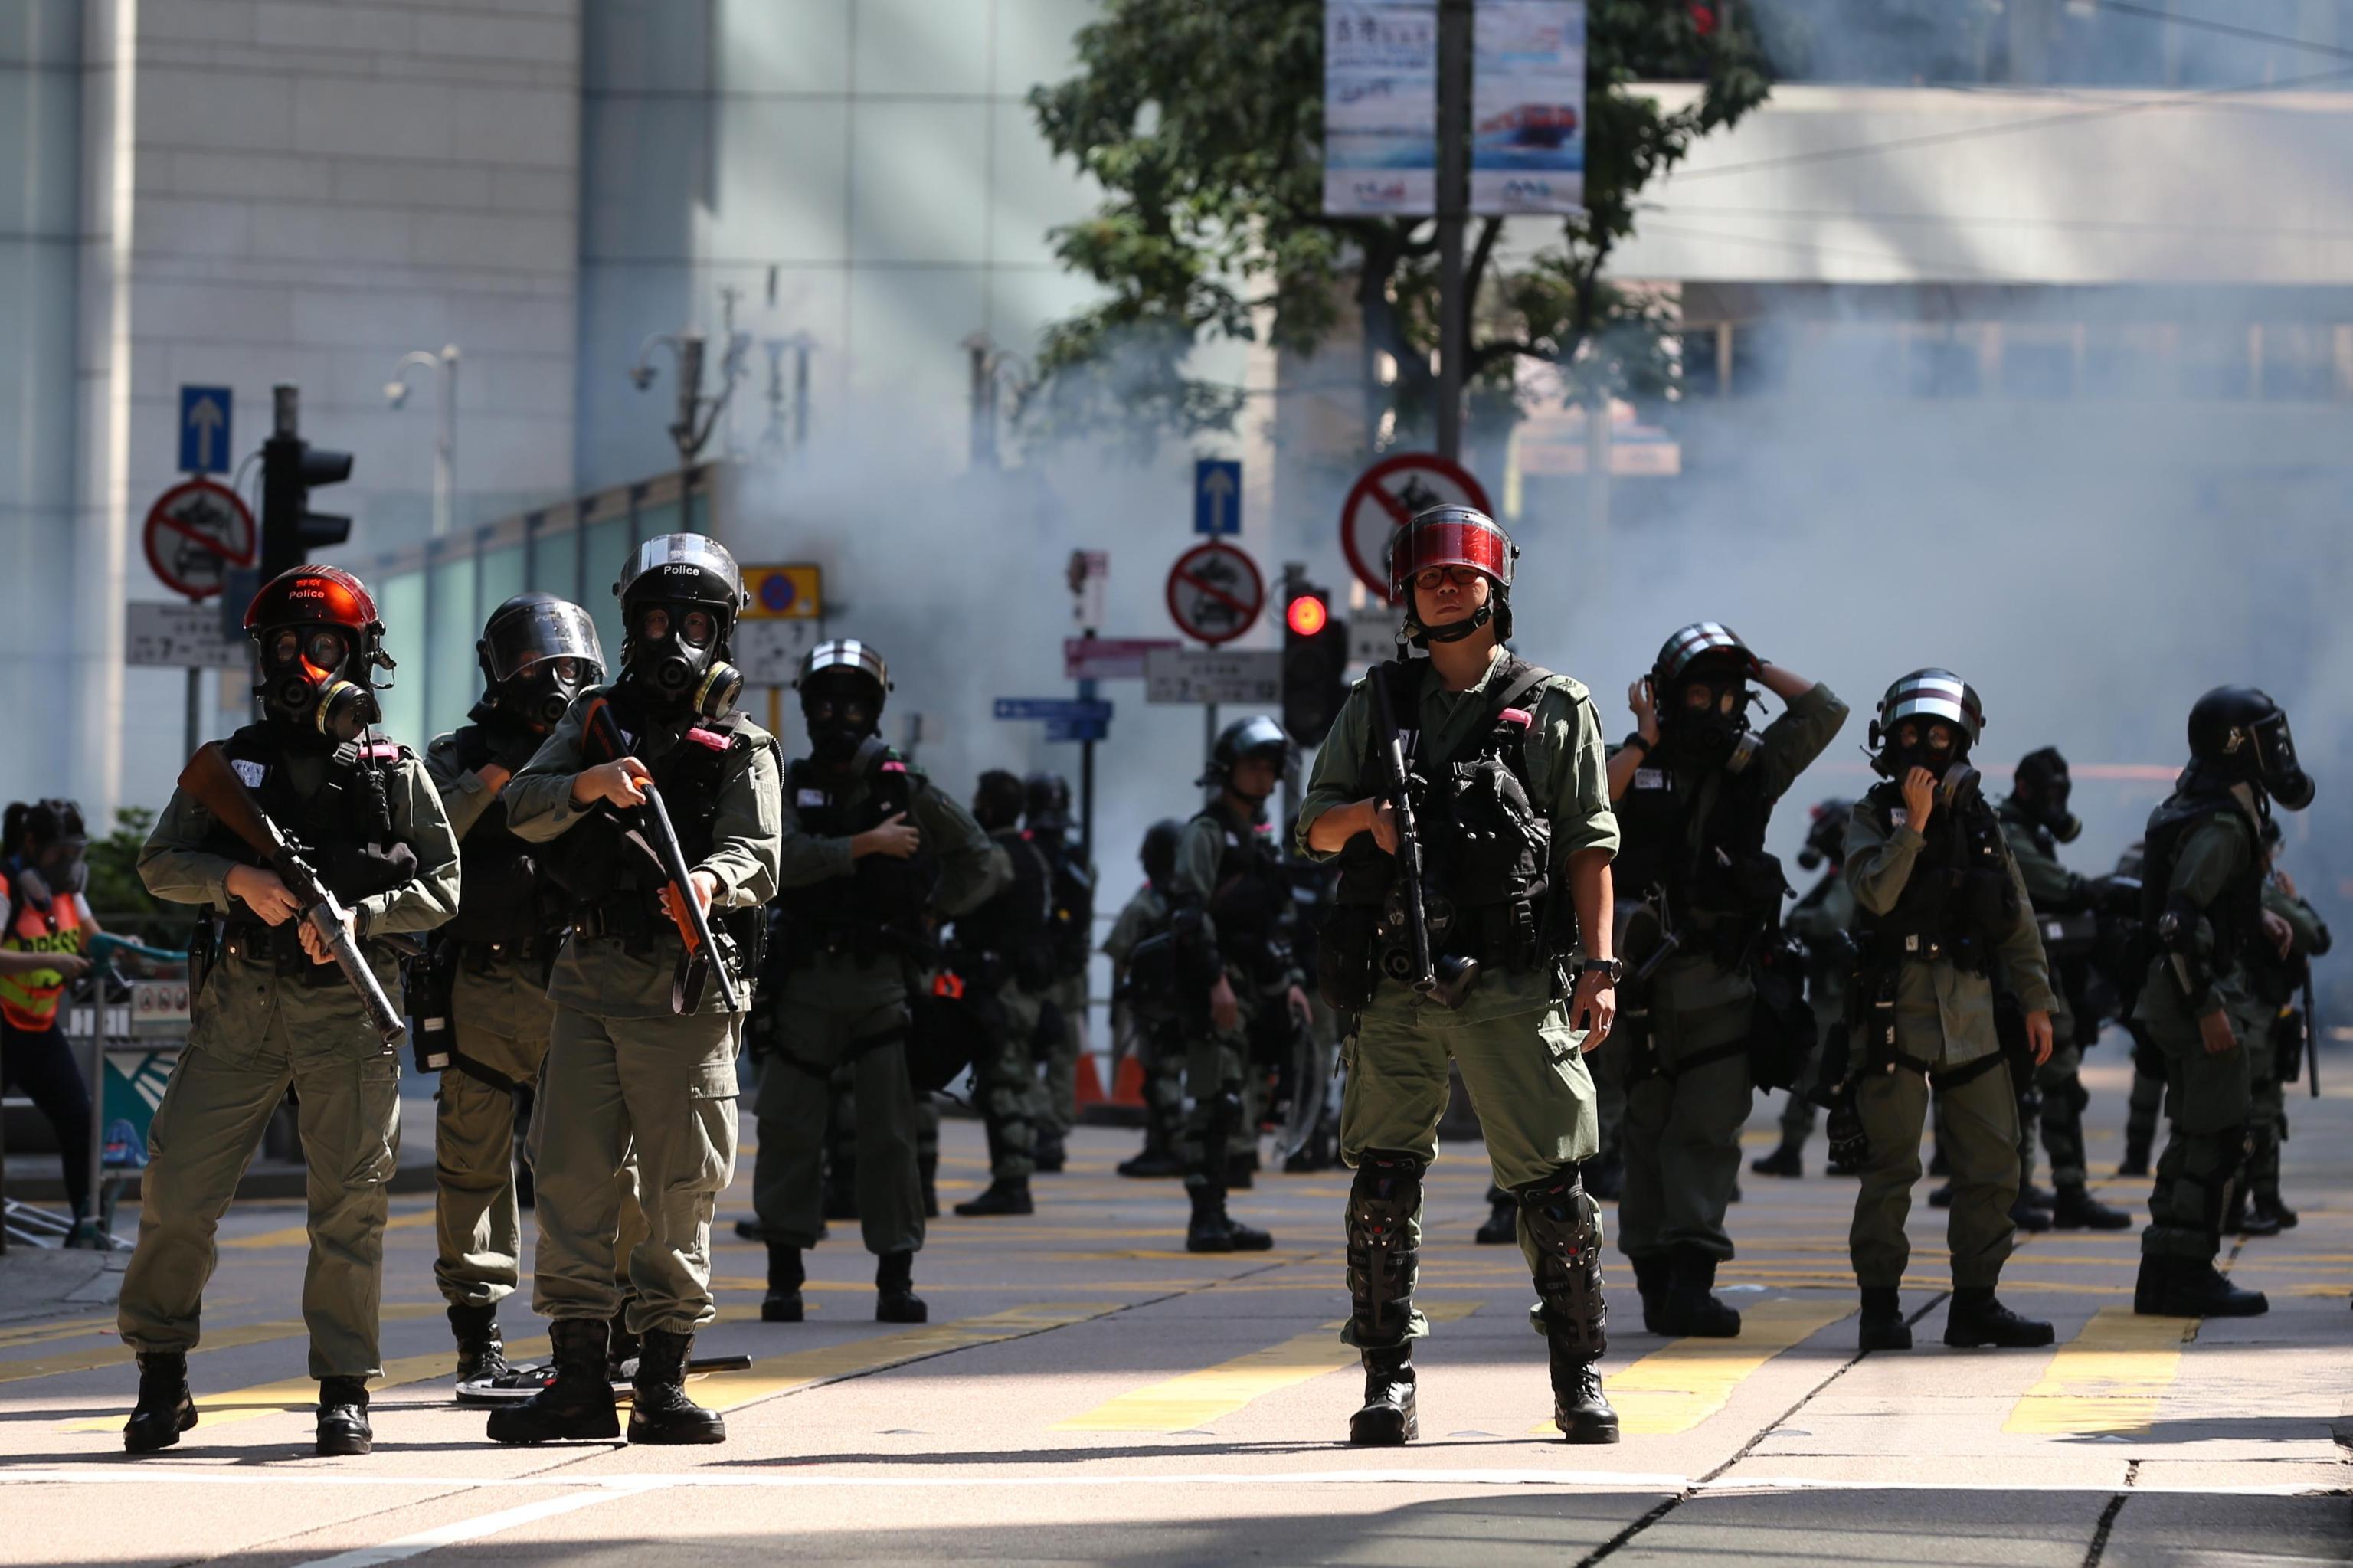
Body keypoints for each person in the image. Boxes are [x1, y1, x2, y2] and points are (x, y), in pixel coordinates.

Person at [1299, 504, 1621, 1447]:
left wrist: (1599, 968)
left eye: (1461, 575)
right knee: (1383, 1184)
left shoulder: (1554, 706)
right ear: (1407, 596)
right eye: (1428, 576)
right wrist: (1369, 820)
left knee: (1554, 1191)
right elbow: (1311, 829)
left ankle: (1577, 1374)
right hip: (1400, 983)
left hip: (1515, 983)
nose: (1445, 587)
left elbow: (1589, 846)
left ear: (1495, 588)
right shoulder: (1377, 704)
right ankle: (1386, 1377)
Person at [122, 565, 460, 1456]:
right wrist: (237, 879)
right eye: (285, 645)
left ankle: (343, 1388)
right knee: (179, 1187)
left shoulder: (394, 770)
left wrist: (364, 916)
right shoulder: (231, 763)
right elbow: (161, 863)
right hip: (243, 1004)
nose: (302, 663)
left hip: (348, 1008)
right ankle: (163, 1373)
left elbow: (446, 883)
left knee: (349, 1204)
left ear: (359, 657)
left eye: (323, 647)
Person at [487, 534, 781, 1446]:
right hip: (589, 978)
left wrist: (710, 881)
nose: (674, 641)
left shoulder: (742, 741)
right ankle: (578, 1374)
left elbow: (760, 855)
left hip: (688, 985)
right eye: (657, 619)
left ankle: (661, 1378)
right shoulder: (590, 719)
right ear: (631, 625)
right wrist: (590, 783)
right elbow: (521, 810)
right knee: (572, 1176)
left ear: (722, 631)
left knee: (681, 1186)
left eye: (695, 622)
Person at [1605, 624, 1847, 1337]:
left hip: (1718, 984)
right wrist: (1645, 735)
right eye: (1698, 692)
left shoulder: (1754, 771)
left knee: (1705, 1133)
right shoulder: (1632, 759)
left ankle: (1688, 1284)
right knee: (1646, 1132)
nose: (1713, 709)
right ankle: (1659, 1285)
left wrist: (1758, 665)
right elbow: (1587, 805)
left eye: (1727, 693)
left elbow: (1825, 712)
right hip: (1639, 985)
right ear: (1667, 696)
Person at [420, 594, 633, 1383]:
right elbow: (419, 838)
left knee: (602, 1160)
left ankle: (612, 1326)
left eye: (570, 664)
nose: (554, 678)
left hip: (579, 973)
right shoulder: (459, 752)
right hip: (482, 979)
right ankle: (479, 1336)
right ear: (500, 670)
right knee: (471, 1163)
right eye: (535, 663)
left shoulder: (601, 745)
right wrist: (490, 783)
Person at [754, 639, 998, 1324]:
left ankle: (896, 1276)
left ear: (876, 709)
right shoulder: (785, 781)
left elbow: (979, 858)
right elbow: (779, 859)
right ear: (807, 709)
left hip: (877, 986)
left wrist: (929, 911)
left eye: (855, 703)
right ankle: (784, 1280)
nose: (840, 716)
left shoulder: (905, 787)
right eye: (827, 703)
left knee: (891, 1137)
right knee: (788, 1131)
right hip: (803, 985)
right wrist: (865, 846)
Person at [1836, 669, 2057, 1352]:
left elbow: (2016, 920)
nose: (1926, 749)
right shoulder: (1872, 816)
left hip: (1974, 1016)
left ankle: (1976, 1303)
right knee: (1892, 1167)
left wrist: (2039, 1003)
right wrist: (1916, 828)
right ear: (1889, 739)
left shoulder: (1984, 823)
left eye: (1940, 736)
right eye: (1912, 735)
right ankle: (1880, 1304)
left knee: (1994, 1163)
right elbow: (1873, 894)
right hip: (1895, 1012)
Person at [2129, 687, 2315, 1320]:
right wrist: (2207, 1005)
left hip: (2174, 990)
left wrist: (2253, 914)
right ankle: (2186, 1274)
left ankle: (2165, 1272)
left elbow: (2193, 900)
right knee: (2218, 1135)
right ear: (2240, 744)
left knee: (2195, 1133)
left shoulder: (2202, 804)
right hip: (2196, 993)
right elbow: (2180, 920)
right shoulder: (2223, 820)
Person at [1173, 716, 1305, 1253]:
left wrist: (1289, 982)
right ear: (1228, 770)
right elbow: (1188, 915)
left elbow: (1273, 921)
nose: (1263, 777)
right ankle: (1205, 1217)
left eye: (1269, 768)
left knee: (1240, 1102)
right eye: (1253, 765)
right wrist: (1215, 982)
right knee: (1215, 1099)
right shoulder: (1207, 833)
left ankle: (1220, 1214)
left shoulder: (1258, 840)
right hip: (1219, 988)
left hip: (1252, 990)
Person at [1992, 748, 2131, 1232]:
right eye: (2049, 792)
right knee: (2016, 1091)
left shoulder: (2031, 831)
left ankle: (2071, 1190)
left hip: (2041, 978)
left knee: (2064, 1084)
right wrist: (2101, 888)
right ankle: (2009, 1192)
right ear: (2025, 788)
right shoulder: (2006, 831)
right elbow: (2053, 885)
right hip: (2008, 982)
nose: (2056, 802)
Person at [949, 771, 1058, 1216]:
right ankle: (1011, 1179)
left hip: (1003, 987)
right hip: (1027, 985)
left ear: (990, 807)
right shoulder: (1034, 855)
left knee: (1003, 1084)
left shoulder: (997, 857)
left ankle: (1012, 1182)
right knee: (1013, 1079)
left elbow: (958, 901)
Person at [0, 799, 100, 1226]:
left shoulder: (68, 894)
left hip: (41, 1030)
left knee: (79, 1121)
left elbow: (93, 940)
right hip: (4, 1026)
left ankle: (84, 1223)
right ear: (32, 844)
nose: (70, 862)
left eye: (76, 851)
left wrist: (124, 950)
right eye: (61, 851)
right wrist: (50, 963)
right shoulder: (7, 886)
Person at [2235, 819, 2330, 1236]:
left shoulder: (2234, 893)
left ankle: (2262, 1201)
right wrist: (2295, 902)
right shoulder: (2259, 893)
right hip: (2255, 1018)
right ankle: (2249, 1204)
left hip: (2252, 1018)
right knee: (2259, 1115)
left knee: (2260, 1114)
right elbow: (2317, 936)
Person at [1752, 799, 1857, 1178]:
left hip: (1839, 993)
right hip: (1839, 989)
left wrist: (1799, 920)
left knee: (1816, 1066)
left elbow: (1831, 919)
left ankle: (1792, 1150)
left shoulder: (1848, 875)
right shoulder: (1846, 871)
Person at [1105, 818, 1187, 1178]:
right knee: (1166, 1074)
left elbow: (1119, 947)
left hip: (1155, 1003)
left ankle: (1169, 1146)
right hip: (1182, 1000)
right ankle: (1161, 1143)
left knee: (1160, 1076)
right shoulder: (1191, 895)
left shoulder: (1150, 898)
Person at [1025, 771, 1095, 1171]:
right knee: (1062, 1053)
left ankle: (1038, 1126)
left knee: (1025, 1049)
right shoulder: (1077, 857)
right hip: (1068, 970)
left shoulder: (1024, 852)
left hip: (1036, 969)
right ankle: (1052, 1131)